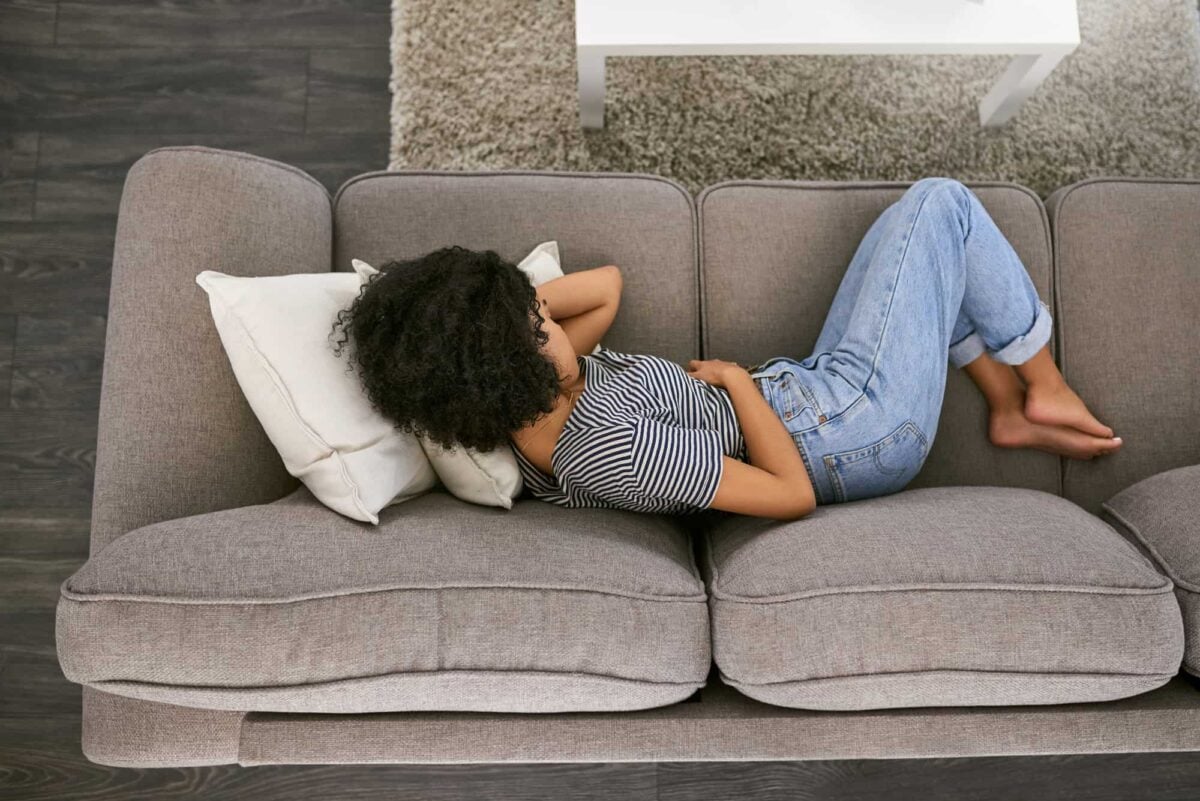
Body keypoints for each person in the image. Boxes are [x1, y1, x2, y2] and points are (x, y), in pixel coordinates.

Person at [330, 177, 1120, 522]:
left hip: (817, 396)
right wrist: (741, 387)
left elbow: (605, 285)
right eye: (534, 331)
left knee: (923, 252)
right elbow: (789, 495)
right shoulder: (603, 450)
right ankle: (1041, 383)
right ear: (497, 371)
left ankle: (1014, 409)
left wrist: (510, 297)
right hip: (848, 434)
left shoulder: (539, 391)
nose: (549, 322)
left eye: (536, 315)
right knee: (941, 204)